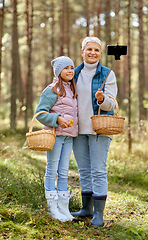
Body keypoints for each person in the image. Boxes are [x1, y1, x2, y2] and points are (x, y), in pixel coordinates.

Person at [72, 37, 118, 227]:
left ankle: (98, 214)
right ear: (82, 51)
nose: (92, 53)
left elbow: (111, 102)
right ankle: (87, 208)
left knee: (98, 170)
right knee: (84, 170)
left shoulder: (108, 74)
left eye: (96, 50)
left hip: (100, 129)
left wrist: (101, 99)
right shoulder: (72, 73)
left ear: (101, 53)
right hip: (77, 129)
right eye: (88, 49)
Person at [35, 56, 78, 222]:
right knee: (52, 170)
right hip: (55, 136)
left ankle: (63, 208)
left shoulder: (72, 89)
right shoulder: (52, 89)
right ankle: (52, 208)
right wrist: (57, 118)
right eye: (66, 68)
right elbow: (40, 113)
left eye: (71, 67)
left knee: (64, 172)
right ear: (58, 71)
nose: (70, 71)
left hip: (68, 136)